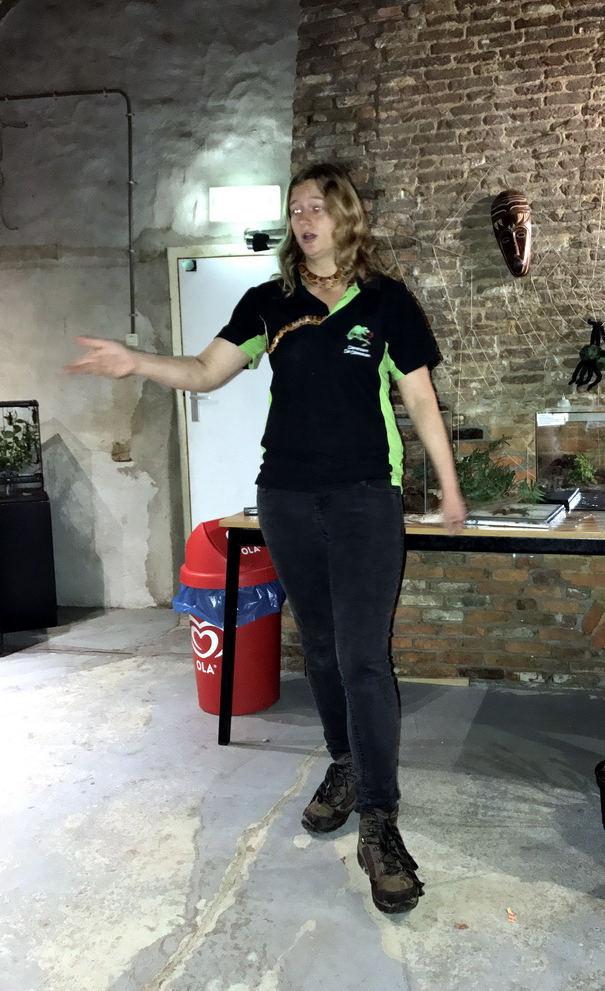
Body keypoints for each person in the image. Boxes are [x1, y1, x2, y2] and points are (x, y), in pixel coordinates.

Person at [66, 162, 466, 915]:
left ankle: (380, 819)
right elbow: (205, 371)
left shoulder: (385, 303)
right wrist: (136, 363)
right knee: (316, 648)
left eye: (317, 206)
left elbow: (419, 397)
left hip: (361, 499)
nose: (303, 218)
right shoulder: (270, 303)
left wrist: (447, 486)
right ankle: (344, 765)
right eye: (295, 209)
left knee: (363, 659)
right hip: (283, 497)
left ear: (345, 216)